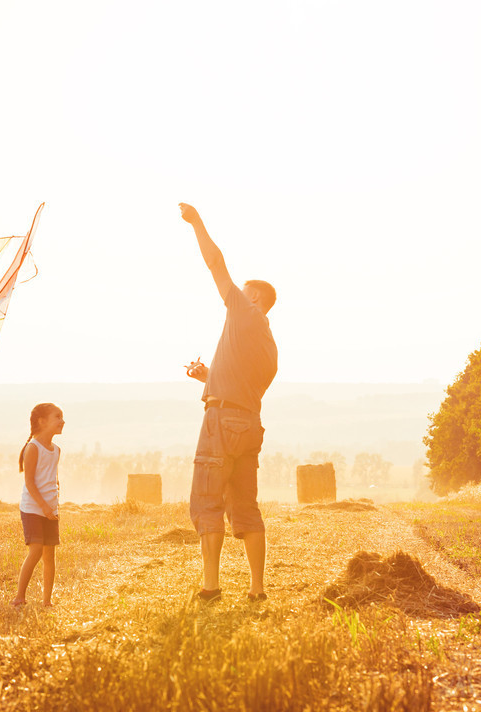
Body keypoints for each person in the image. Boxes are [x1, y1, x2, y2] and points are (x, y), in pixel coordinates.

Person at [178, 202, 278, 603]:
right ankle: (257, 589)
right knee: (246, 507)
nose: (237, 295)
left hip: (221, 423)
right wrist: (210, 377)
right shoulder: (268, 343)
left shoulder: (243, 311)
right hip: (249, 423)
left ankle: (211, 586)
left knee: (207, 502)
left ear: (255, 299)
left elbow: (215, 263)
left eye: (244, 293)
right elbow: (248, 384)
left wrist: (197, 222)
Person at [12, 403, 65, 607]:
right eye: (57, 417)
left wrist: (54, 504)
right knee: (35, 551)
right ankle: (19, 598)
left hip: (50, 510)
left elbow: (53, 479)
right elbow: (30, 483)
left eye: (62, 417)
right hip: (33, 509)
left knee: (49, 555)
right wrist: (43, 507)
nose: (62, 421)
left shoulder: (57, 450)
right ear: (42, 421)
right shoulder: (33, 448)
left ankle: (47, 601)